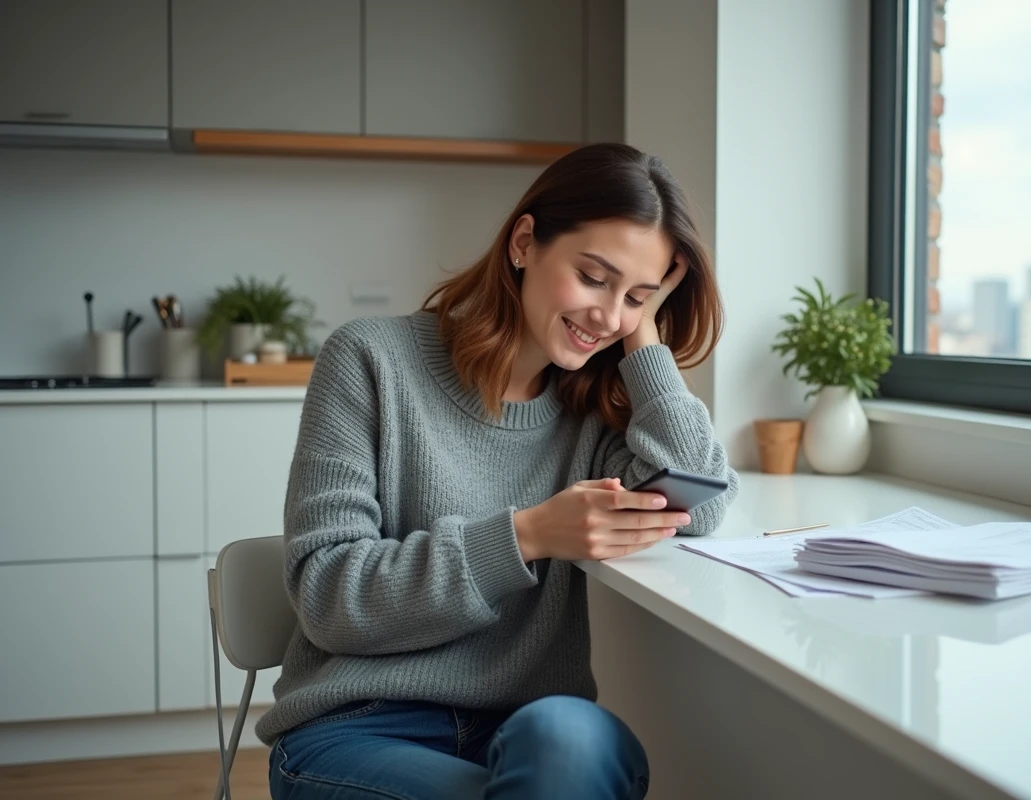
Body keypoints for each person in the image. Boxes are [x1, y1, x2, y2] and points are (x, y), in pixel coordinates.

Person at [257, 142, 739, 799]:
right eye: (593, 277)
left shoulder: (595, 413)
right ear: (523, 243)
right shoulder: (370, 360)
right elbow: (328, 599)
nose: (607, 316)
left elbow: (701, 504)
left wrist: (645, 342)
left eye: (637, 296)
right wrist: (526, 536)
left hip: (530, 737)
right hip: (358, 728)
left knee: (575, 742)